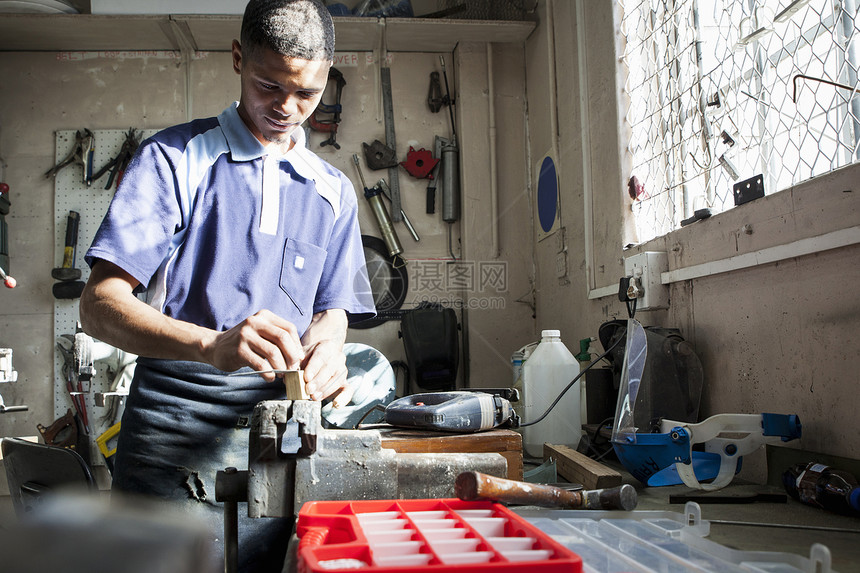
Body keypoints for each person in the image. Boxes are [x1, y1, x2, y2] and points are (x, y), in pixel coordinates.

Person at [79, 1, 376, 571]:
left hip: (285, 446)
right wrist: (210, 346)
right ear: (238, 58)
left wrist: (329, 348)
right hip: (171, 440)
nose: (288, 109)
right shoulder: (173, 159)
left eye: (308, 94)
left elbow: (332, 310)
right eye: (269, 86)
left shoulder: (333, 190)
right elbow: (99, 306)